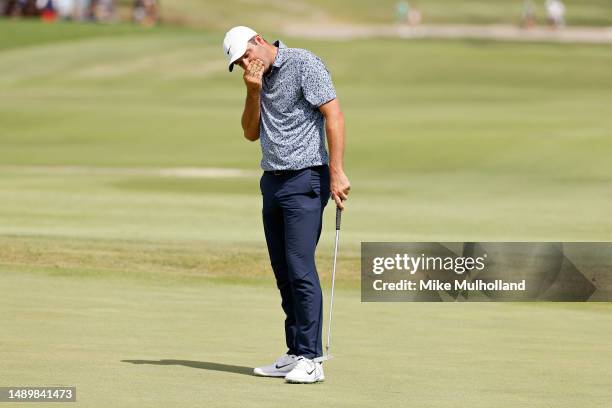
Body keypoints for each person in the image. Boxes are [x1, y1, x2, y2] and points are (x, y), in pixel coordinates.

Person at [222, 26, 350, 384]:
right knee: (282, 271)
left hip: (306, 178)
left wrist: (337, 172)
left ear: (259, 41)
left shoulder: (304, 64)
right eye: (239, 62)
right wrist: (253, 90)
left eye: (247, 55)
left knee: (300, 267)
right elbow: (250, 132)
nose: (246, 62)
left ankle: (312, 359)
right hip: (273, 181)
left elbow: (334, 115)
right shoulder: (254, 80)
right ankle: (295, 352)